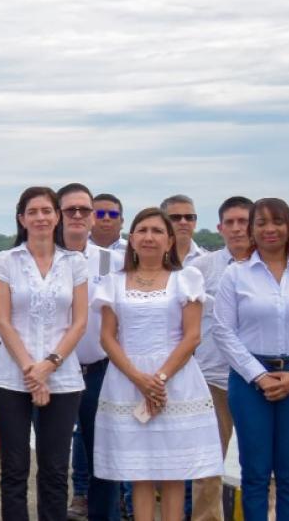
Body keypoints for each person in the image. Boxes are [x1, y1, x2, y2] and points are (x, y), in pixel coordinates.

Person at [93, 209, 224, 521]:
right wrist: (139, 379)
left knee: (174, 469)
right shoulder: (113, 282)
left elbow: (192, 336)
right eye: (142, 230)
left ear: (168, 241)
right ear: (132, 239)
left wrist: (160, 378)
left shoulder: (186, 278)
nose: (149, 237)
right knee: (138, 469)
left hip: (176, 380)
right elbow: (108, 338)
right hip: (127, 380)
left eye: (156, 231)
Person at [208, 198, 289, 521]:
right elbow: (223, 332)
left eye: (277, 222)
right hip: (250, 382)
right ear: (252, 231)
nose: (269, 230)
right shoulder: (235, 276)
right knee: (255, 473)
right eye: (260, 223)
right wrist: (258, 376)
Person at [0, 186, 89, 521]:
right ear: (22, 218)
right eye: (33, 212)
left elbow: (80, 321)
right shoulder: (6, 261)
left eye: (47, 210)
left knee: (55, 469)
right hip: (12, 378)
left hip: (63, 377)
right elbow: (2, 320)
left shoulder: (74, 263)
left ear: (57, 216)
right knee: (15, 469)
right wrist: (32, 370)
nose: (41, 217)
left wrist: (50, 365)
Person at [181, 196, 251, 521]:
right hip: (212, 379)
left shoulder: (269, 267)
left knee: (262, 463)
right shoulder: (200, 269)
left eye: (244, 221)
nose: (237, 228)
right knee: (207, 463)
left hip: (258, 381)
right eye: (231, 222)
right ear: (220, 227)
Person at [61, 184, 123, 521]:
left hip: (100, 370)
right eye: (70, 210)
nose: (78, 216)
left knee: (104, 459)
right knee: (53, 461)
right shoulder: (46, 257)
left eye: (85, 210)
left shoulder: (113, 262)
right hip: (55, 370)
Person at [162, 195, 209, 264]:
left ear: (195, 222)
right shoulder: (149, 260)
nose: (183, 222)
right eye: (175, 217)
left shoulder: (210, 261)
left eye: (189, 217)